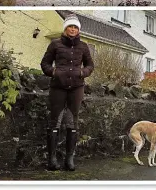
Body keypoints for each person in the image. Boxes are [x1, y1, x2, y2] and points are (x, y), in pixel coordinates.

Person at [40, 14, 94, 171]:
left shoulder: (84, 46)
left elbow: (90, 65)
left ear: (78, 30)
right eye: (70, 26)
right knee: (55, 122)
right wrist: (54, 72)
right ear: (65, 28)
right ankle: (52, 159)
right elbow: (45, 64)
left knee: (72, 123)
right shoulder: (55, 44)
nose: (73, 29)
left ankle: (69, 159)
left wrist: (83, 72)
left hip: (76, 88)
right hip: (57, 87)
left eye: (76, 27)